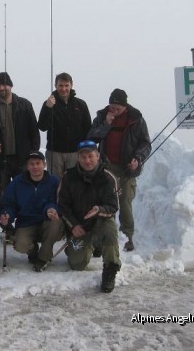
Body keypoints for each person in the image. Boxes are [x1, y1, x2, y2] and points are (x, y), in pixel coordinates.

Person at [87, 89, 151, 252]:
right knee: (105, 201)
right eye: (112, 106)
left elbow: (145, 144)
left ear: (125, 106)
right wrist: (107, 125)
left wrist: (138, 159)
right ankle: (104, 236)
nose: (114, 110)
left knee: (125, 202)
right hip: (106, 167)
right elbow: (92, 138)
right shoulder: (102, 116)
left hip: (127, 168)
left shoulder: (136, 119)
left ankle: (127, 236)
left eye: (118, 107)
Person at [58, 140, 121, 293]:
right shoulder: (68, 177)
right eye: (83, 157)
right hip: (79, 226)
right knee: (77, 264)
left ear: (98, 156)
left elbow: (113, 206)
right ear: (78, 158)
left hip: (100, 221)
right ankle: (89, 244)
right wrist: (73, 225)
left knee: (110, 229)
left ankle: (110, 269)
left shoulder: (108, 177)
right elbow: (62, 205)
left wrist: (99, 209)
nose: (87, 160)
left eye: (90, 156)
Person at [0, 72, 40, 203]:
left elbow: (34, 131)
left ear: (11, 86)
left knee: (25, 195)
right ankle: (5, 223)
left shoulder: (25, 105)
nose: (2, 88)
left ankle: (24, 223)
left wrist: (33, 154)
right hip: (0, 162)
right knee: (3, 198)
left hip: (22, 160)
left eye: (5, 84)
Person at [0, 151, 64, 271]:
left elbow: (60, 202)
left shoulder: (54, 181)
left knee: (56, 223)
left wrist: (52, 209)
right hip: (26, 222)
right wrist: (7, 214)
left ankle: (43, 258)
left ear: (44, 164)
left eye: (38, 163)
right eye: (31, 164)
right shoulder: (17, 182)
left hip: (47, 220)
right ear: (27, 166)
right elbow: (8, 204)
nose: (35, 167)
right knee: (20, 245)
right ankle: (33, 251)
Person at [37, 72, 92, 178]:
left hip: (75, 152)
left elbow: (87, 128)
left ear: (71, 85)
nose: (63, 89)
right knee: (55, 182)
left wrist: (85, 151)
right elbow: (42, 126)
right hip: (55, 152)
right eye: (60, 85)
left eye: (66, 85)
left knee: (75, 182)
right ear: (55, 86)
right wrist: (48, 108)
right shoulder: (49, 103)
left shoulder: (80, 104)